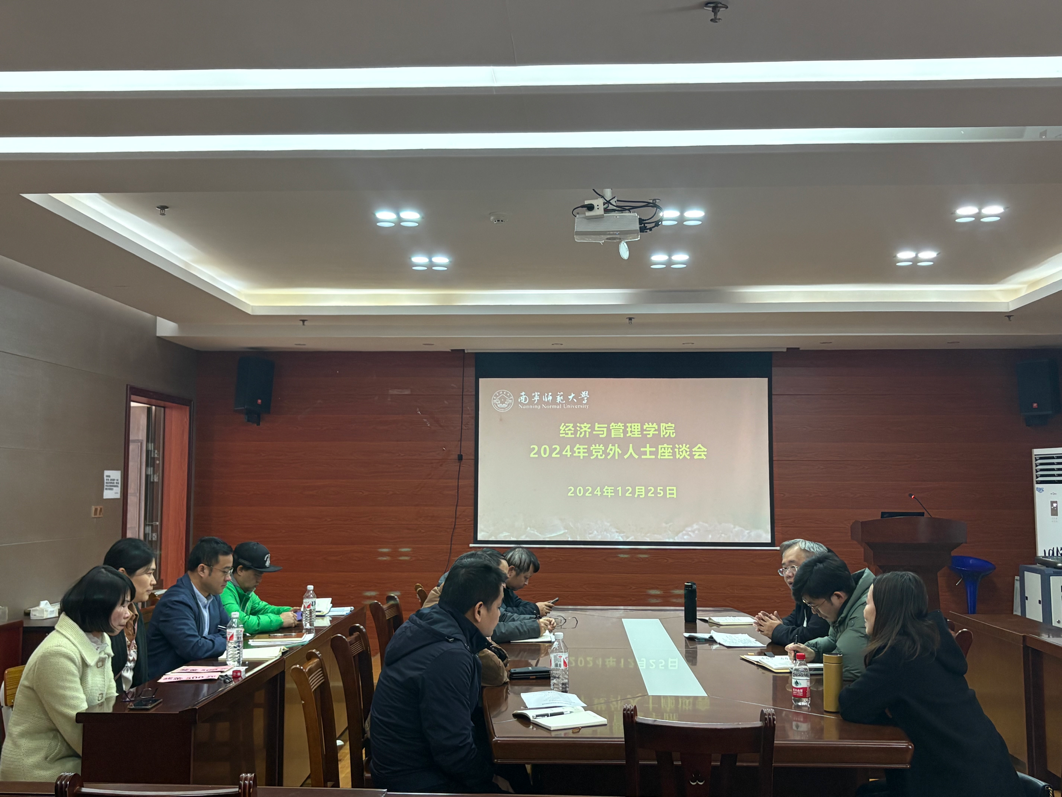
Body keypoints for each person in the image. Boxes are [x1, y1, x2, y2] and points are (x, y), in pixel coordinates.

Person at [839, 572, 1022, 797]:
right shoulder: (929, 642)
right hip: (987, 774)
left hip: (959, 783)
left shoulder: (901, 654)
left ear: (886, 609)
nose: (864, 611)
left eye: (868, 603)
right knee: (865, 791)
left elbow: (850, 705)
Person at [369, 557, 507, 793]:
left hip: (409, 763)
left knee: (511, 771)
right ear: (479, 610)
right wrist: (491, 782)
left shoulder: (428, 623)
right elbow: (454, 750)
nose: (500, 614)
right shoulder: (449, 656)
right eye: (498, 606)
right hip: (415, 780)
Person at [0, 566, 134, 781]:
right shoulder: (58, 654)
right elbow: (79, 729)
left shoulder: (101, 639)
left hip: (77, 759)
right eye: (122, 605)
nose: (128, 613)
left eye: (128, 604)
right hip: (40, 770)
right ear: (98, 606)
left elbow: (109, 707)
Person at [146, 537, 233, 679]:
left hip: (199, 677)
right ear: (202, 570)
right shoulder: (176, 602)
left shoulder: (213, 596)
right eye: (225, 571)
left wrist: (207, 640)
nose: (228, 578)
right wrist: (226, 640)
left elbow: (230, 631)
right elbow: (194, 649)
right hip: (167, 686)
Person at [423, 549, 554, 642]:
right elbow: (488, 630)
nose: (504, 585)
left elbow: (501, 616)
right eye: (500, 578)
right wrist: (534, 627)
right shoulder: (462, 590)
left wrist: (535, 621)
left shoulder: (477, 588)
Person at [785, 552, 874, 680]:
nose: (814, 612)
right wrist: (813, 652)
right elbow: (834, 640)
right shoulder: (847, 606)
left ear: (838, 596)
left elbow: (849, 671)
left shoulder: (864, 609)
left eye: (814, 605)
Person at [102, 537, 157, 690]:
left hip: (132, 700)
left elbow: (140, 674)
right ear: (123, 575)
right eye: (148, 573)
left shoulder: (134, 611)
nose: (153, 581)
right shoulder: (103, 616)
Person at [753, 539, 830, 645]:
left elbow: (813, 636)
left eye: (793, 567)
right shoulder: (804, 593)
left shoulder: (827, 594)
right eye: (785, 568)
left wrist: (776, 630)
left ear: (815, 566)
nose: (788, 574)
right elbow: (795, 619)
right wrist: (774, 624)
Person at [220, 541, 297, 635]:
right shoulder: (223, 589)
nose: (259, 580)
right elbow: (242, 623)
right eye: (256, 575)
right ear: (240, 570)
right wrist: (280, 620)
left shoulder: (245, 590)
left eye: (261, 575)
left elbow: (262, 609)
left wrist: (288, 611)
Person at [502, 547, 555, 617]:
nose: (526, 583)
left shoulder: (507, 588)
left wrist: (537, 607)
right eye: (525, 577)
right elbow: (503, 614)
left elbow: (517, 603)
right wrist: (535, 609)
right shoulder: (493, 587)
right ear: (511, 571)